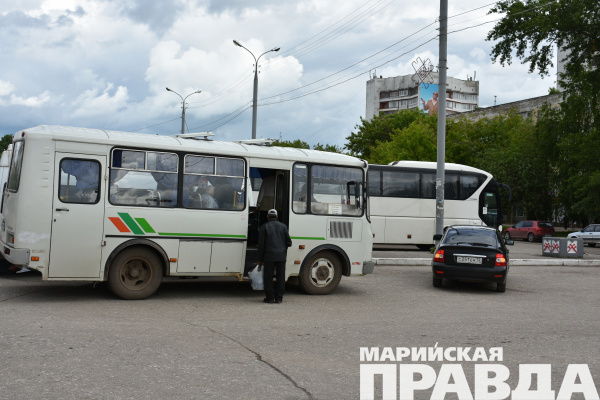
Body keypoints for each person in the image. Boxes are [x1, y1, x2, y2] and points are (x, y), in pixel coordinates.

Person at [257, 209, 292, 304]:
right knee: (281, 278)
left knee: (268, 278)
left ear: (267, 216)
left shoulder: (264, 227)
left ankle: (270, 298)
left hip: (269, 256)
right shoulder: (283, 226)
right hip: (281, 256)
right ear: (277, 216)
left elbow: (261, 245)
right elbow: (289, 243)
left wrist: (260, 260)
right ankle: (279, 298)